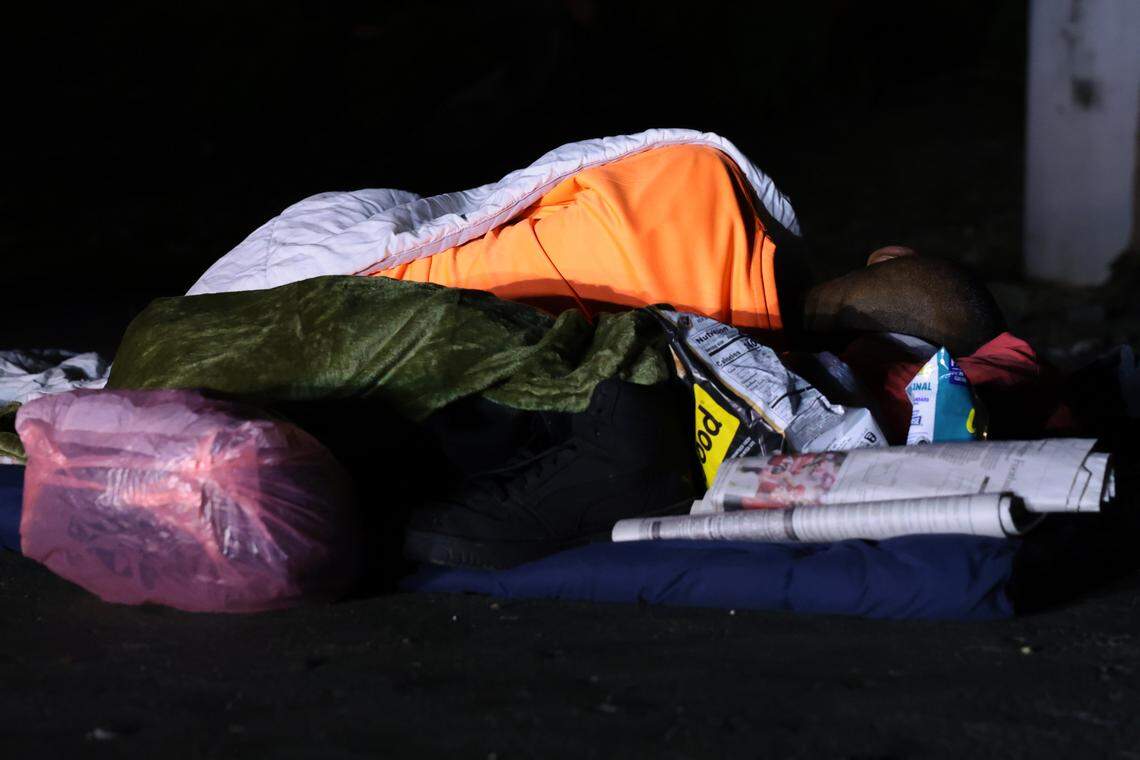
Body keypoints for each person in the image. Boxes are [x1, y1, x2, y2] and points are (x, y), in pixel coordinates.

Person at [387, 143, 1008, 568]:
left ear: (888, 256)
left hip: (355, 270)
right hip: (391, 330)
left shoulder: (705, 174)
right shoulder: (704, 357)